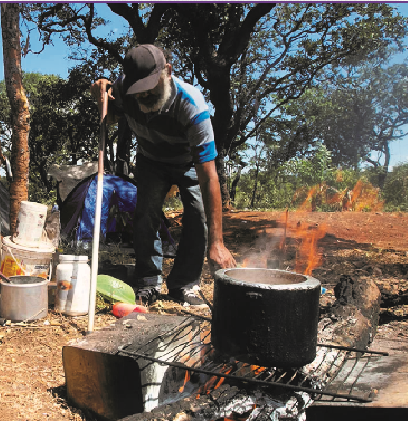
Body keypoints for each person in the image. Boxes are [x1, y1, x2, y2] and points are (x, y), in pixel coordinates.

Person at [91, 44, 236, 307]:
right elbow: (111, 117)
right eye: (139, 92)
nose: (145, 95)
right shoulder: (124, 89)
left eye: (151, 88)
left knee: (197, 213)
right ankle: (147, 282)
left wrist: (217, 243)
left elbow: (209, 177)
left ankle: (184, 283)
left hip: (188, 162)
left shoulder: (192, 106)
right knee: (146, 213)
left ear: (168, 72)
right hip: (150, 160)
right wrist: (101, 97)